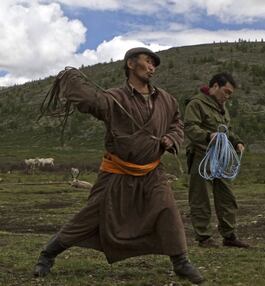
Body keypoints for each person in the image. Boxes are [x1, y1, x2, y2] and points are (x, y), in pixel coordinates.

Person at [33, 47, 204, 284]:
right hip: (117, 172)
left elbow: (177, 123)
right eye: (147, 61)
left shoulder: (166, 100)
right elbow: (91, 102)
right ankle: (47, 254)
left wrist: (171, 139)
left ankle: (181, 262)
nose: (152, 67)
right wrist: (70, 80)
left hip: (152, 172)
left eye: (154, 64)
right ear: (131, 64)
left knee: (167, 210)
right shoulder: (114, 98)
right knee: (90, 217)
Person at [184, 72, 249, 248]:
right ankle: (204, 238)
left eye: (230, 94)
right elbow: (189, 127)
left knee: (227, 198)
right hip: (201, 157)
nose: (227, 97)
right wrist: (207, 136)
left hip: (221, 158)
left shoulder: (222, 108)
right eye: (226, 92)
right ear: (214, 87)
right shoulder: (196, 104)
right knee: (201, 198)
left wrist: (237, 141)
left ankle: (229, 236)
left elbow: (226, 130)